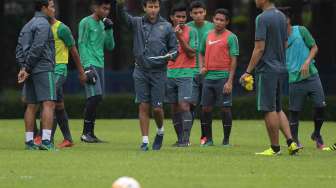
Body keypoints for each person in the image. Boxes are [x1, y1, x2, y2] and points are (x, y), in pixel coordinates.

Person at [240, 0, 299, 156]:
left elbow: (259, 48)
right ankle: (291, 142)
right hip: (281, 68)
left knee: (268, 108)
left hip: (267, 69)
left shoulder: (262, 18)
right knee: (278, 108)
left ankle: (275, 148)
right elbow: (285, 43)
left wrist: (247, 71)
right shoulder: (281, 16)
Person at [117, 0, 177, 151]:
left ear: (159, 8)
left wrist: (169, 56)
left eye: (156, 7)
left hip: (159, 72)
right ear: (144, 7)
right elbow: (123, 18)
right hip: (140, 71)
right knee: (143, 105)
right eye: (150, 7)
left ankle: (160, 130)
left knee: (157, 109)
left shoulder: (167, 26)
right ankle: (145, 141)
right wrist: (119, 5)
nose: (153, 10)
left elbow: (175, 49)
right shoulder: (136, 23)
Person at [279, 7, 326, 149]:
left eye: (282, 18)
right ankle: (295, 140)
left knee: (320, 105)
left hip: (312, 75)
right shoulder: (277, 38)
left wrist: (306, 62)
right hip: (294, 79)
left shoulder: (301, 30)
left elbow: (314, 47)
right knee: (294, 111)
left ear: (288, 19)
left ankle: (317, 133)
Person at [16, 0, 56, 150]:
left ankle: (29, 142)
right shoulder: (44, 24)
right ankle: (46, 142)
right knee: (49, 103)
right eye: (52, 6)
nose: (54, 9)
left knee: (31, 105)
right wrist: (27, 67)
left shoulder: (27, 25)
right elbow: (38, 46)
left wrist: (24, 67)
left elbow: (19, 48)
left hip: (29, 69)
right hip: (43, 68)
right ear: (44, 8)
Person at [200, 8, 239, 147]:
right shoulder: (207, 35)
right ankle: (208, 140)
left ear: (227, 22)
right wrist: (202, 66)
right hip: (208, 79)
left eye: (222, 20)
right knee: (205, 109)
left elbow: (234, 60)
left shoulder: (231, 37)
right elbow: (201, 52)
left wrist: (230, 81)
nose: (218, 22)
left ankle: (226, 140)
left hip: (223, 77)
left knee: (225, 109)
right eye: (216, 19)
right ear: (213, 20)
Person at [49, 10, 87, 148]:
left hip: (59, 69)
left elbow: (73, 50)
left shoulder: (62, 29)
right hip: (47, 70)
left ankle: (47, 139)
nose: (51, 9)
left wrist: (81, 71)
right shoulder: (41, 27)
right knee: (59, 105)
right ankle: (68, 139)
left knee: (49, 101)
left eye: (53, 6)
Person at [78, 0, 115, 143]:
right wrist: (86, 67)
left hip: (100, 64)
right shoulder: (85, 22)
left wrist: (110, 30)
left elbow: (110, 46)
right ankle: (85, 133)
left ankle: (90, 134)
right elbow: (81, 43)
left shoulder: (102, 25)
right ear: (96, 8)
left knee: (97, 98)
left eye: (108, 9)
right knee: (94, 97)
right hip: (90, 64)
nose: (106, 11)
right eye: (104, 8)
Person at [167, 4, 198, 147]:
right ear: (172, 17)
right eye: (178, 16)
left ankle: (186, 140)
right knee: (174, 107)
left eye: (183, 17)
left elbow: (192, 53)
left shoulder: (192, 32)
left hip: (186, 73)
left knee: (184, 106)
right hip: (168, 73)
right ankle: (179, 139)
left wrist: (179, 37)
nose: (181, 19)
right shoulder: (165, 31)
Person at [186, 1, 214, 146]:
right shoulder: (186, 28)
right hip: (190, 72)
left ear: (205, 12)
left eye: (200, 12)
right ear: (190, 14)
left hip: (208, 73)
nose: (198, 15)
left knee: (206, 106)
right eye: (195, 13)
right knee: (190, 105)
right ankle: (186, 138)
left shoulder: (212, 28)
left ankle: (205, 137)